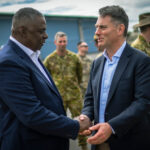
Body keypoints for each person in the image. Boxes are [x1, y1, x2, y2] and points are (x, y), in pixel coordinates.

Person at [0, 7, 91, 150]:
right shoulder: (9, 62)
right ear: (22, 31)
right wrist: (75, 125)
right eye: (41, 31)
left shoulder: (31, 55)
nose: (46, 36)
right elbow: (32, 114)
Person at [79, 5, 150, 150]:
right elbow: (90, 98)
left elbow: (142, 102)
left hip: (130, 141)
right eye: (96, 27)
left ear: (120, 29)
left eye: (102, 27)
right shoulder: (97, 63)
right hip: (100, 142)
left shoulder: (141, 61)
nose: (96, 32)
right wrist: (86, 116)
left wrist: (112, 127)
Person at [44, 31, 88, 150]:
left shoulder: (74, 57)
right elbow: (45, 79)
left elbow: (79, 75)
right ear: (55, 42)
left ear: (67, 42)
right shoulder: (49, 59)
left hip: (74, 96)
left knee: (81, 121)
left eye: (64, 41)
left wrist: (74, 86)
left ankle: (84, 146)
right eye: (60, 41)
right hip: (59, 98)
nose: (62, 44)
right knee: (59, 124)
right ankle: (60, 146)